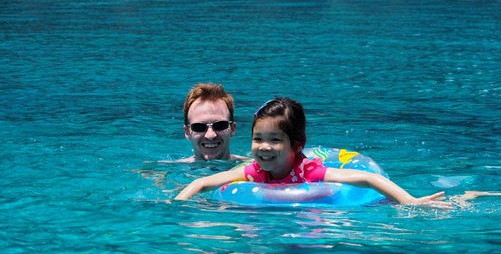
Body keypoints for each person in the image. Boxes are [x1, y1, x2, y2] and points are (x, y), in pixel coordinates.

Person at [175, 97, 450, 207]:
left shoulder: (309, 171)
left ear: (297, 145)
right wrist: (176, 205)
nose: (264, 147)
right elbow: (202, 182)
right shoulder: (253, 171)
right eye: (258, 139)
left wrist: (409, 201)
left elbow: (368, 179)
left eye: (274, 140)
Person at [180, 83, 247, 162]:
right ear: (187, 132)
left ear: (233, 129)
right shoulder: (168, 170)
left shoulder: (256, 169)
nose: (210, 135)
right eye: (199, 127)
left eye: (220, 125)